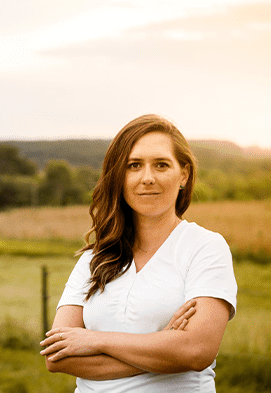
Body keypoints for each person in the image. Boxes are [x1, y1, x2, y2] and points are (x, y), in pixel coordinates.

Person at [40, 114, 237, 392]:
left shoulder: (205, 247)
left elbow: (196, 351)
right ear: (119, 176)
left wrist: (97, 341)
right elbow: (57, 356)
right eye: (134, 165)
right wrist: (166, 344)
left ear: (183, 174)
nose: (147, 178)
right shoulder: (95, 257)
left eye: (161, 165)